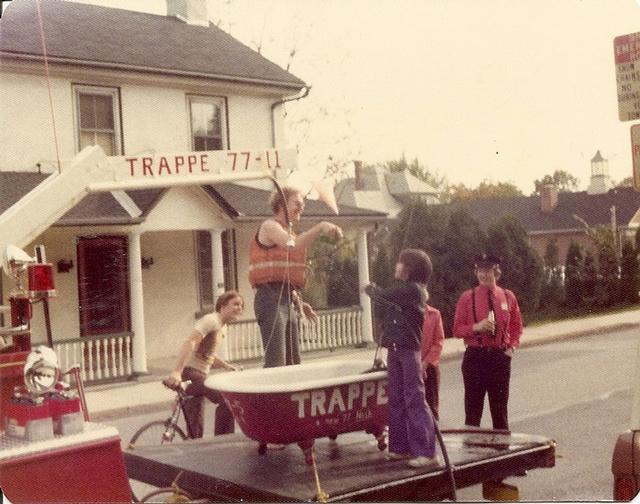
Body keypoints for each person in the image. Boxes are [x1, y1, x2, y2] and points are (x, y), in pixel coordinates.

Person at [249, 185, 342, 368]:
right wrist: (321, 226)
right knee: (277, 362)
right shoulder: (269, 226)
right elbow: (292, 245)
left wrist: (300, 303)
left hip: (287, 301)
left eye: (303, 205)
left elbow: (285, 279)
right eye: (297, 203)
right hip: (270, 299)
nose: (302, 207)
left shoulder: (288, 232)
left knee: (293, 362)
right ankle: (272, 396)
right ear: (281, 203)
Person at [364, 248, 439, 468]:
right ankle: (400, 447)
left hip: (408, 351)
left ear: (410, 270)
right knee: (396, 398)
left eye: (400, 263)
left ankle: (426, 451)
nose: (396, 266)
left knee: (414, 398)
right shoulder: (404, 290)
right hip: (395, 350)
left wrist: (369, 288)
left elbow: (383, 295)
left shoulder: (413, 290)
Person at [452, 253, 523, 430]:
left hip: (499, 358)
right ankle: (472, 453)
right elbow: (456, 330)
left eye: (488, 271)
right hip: (475, 357)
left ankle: (502, 453)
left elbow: (517, 326)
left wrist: (511, 348)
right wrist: (476, 327)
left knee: (500, 412)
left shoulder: (507, 296)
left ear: (497, 272)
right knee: (473, 412)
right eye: (480, 271)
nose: (483, 275)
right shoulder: (467, 297)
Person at [163, 290, 244, 438]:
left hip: (199, 374)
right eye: (236, 304)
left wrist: (226, 366)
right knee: (227, 398)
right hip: (190, 372)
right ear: (223, 306)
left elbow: (207, 354)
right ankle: (222, 440)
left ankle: (196, 448)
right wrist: (176, 371)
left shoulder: (223, 326)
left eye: (241, 305)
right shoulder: (211, 321)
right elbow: (191, 342)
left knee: (195, 430)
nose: (239, 308)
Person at [421, 303, 444, 421]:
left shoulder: (434, 314)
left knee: (431, 406)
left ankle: (433, 437)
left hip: (430, 366)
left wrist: (425, 364)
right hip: (412, 366)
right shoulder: (406, 313)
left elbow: (439, 341)